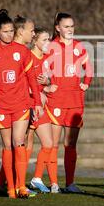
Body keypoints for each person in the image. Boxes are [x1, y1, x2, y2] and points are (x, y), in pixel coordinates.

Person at [0, 9, 42, 199]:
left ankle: (21, 187)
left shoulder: (22, 51)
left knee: (19, 142)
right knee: (7, 146)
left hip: (21, 103)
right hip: (0, 105)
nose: (8, 34)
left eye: (10, 31)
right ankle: (9, 189)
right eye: (4, 31)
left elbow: (32, 79)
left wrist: (37, 102)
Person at [34, 12, 93, 193]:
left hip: (75, 101)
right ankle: (53, 183)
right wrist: (46, 87)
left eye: (72, 26)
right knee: (53, 144)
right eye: (66, 26)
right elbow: (39, 73)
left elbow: (88, 68)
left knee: (71, 145)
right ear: (58, 28)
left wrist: (86, 83)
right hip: (56, 101)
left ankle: (70, 183)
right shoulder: (50, 47)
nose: (70, 29)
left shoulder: (79, 46)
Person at [28, 28, 59, 193]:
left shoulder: (46, 59)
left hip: (40, 107)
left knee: (48, 144)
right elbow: (22, 84)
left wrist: (47, 85)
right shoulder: (28, 58)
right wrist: (40, 92)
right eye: (45, 40)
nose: (48, 43)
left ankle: (36, 178)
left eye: (49, 39)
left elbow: (50, 81)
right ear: (35, 41)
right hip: (28, 106)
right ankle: (7, 182)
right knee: (21, 146)